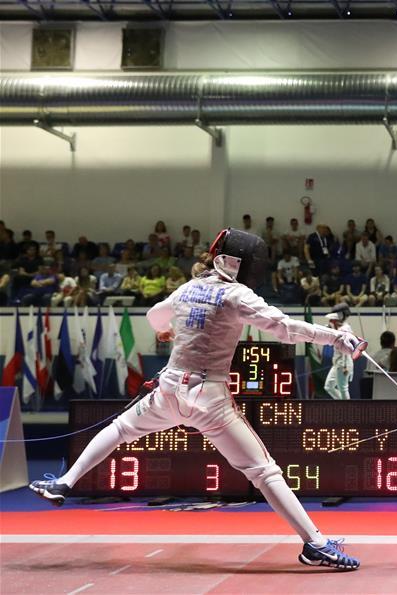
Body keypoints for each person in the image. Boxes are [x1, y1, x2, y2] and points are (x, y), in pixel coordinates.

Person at [29, 228, 364, 570]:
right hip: (209, 399)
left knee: (120, 430)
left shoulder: (188, 288)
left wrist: (168, 329)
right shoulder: (237, 296)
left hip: (169, 391)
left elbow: (154, 316)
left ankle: (64, 482)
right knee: (264, 471)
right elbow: (285, 329)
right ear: (232, 263)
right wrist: (337, 339)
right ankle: (315, 545)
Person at [324, 304, 354, 401]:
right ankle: (343, 405)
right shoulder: (339, 328)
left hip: (343, 364)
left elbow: (346, 348)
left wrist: (344, 366)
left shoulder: (345, 329)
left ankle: (347, 411)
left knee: (343, 389)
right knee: (328, 386)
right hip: (337, 363)